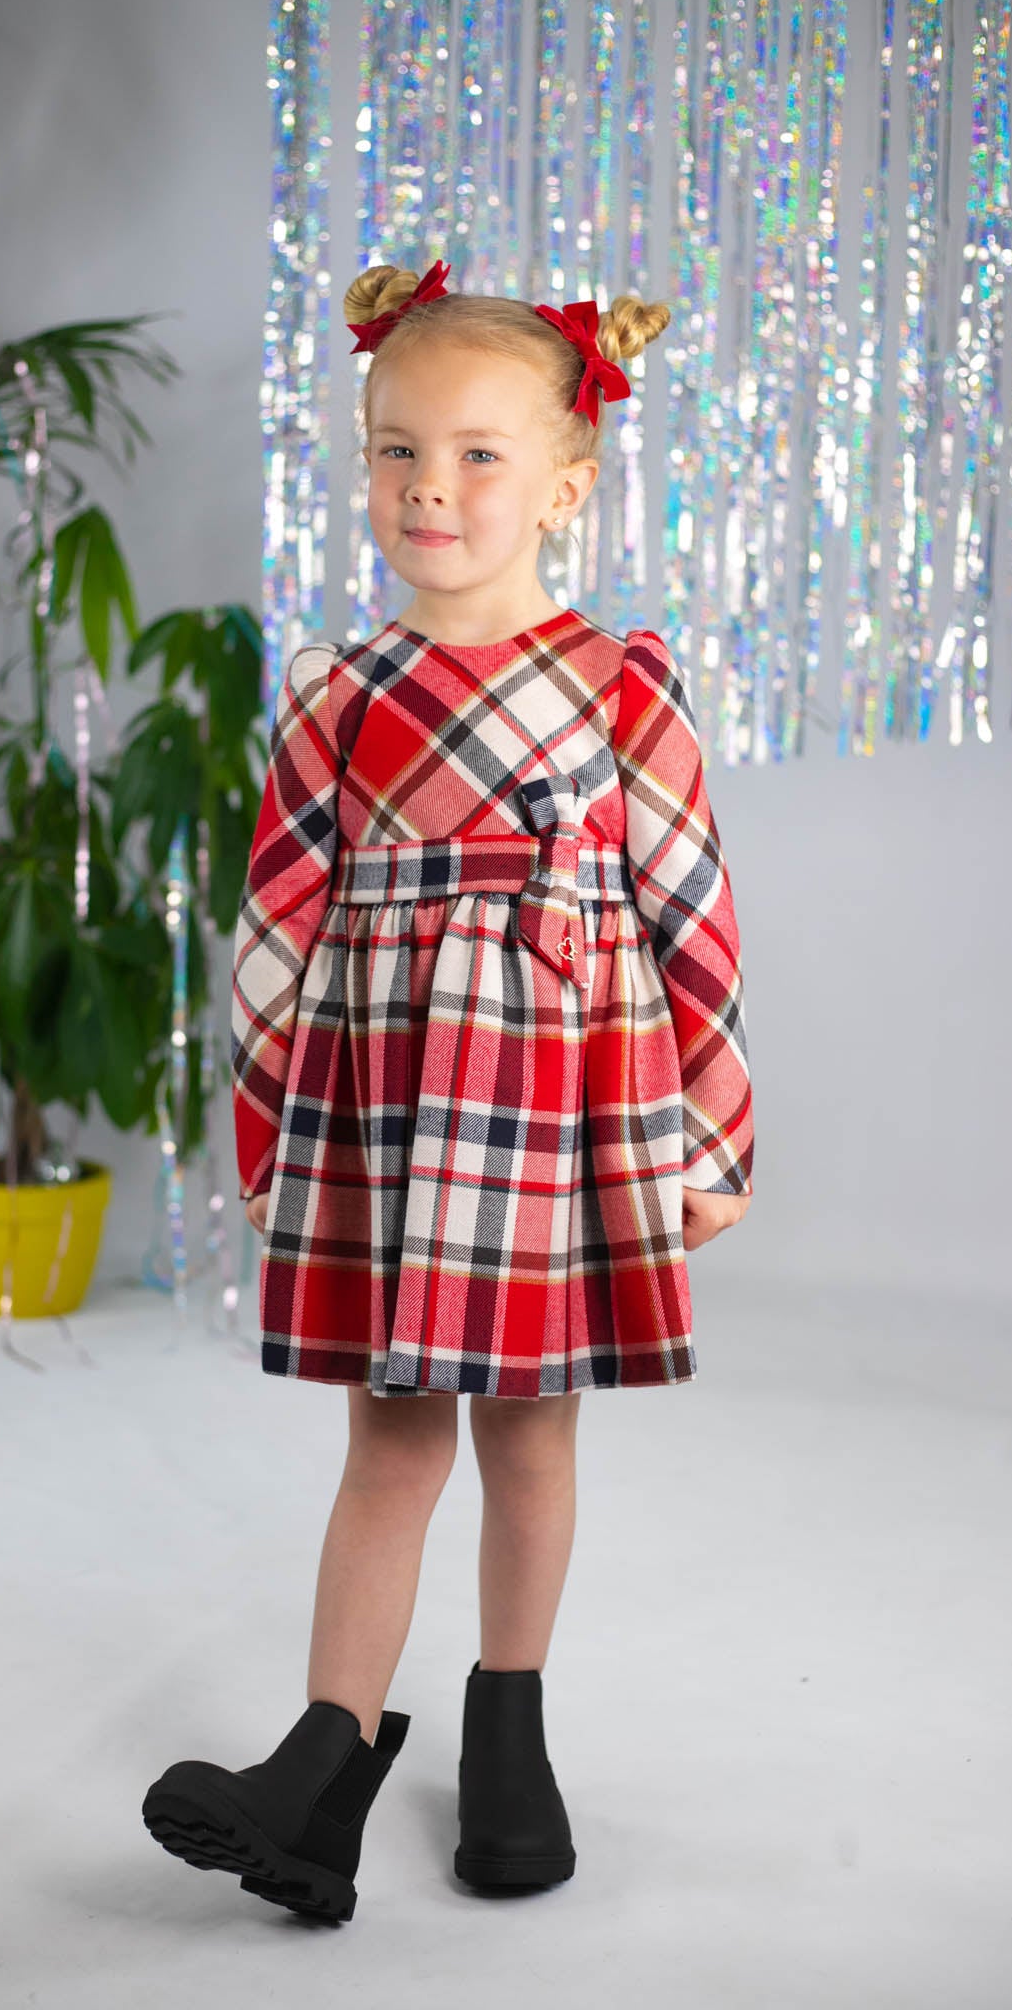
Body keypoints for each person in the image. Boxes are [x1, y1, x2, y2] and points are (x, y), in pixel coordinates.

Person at [142, 258, 756, 1924]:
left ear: (563, 485)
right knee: (390, 1436)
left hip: (550, 1108)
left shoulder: (618, 682)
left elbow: (689, 913)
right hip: (388, 1112)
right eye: (397, 452)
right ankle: (319, 1772)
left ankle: (508, 1741)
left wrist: (712, 1134)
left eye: (478, 455)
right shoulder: (337, 694)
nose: (430, 487)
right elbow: (276, 924)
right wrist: (268, 1130)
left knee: (530, 1436)